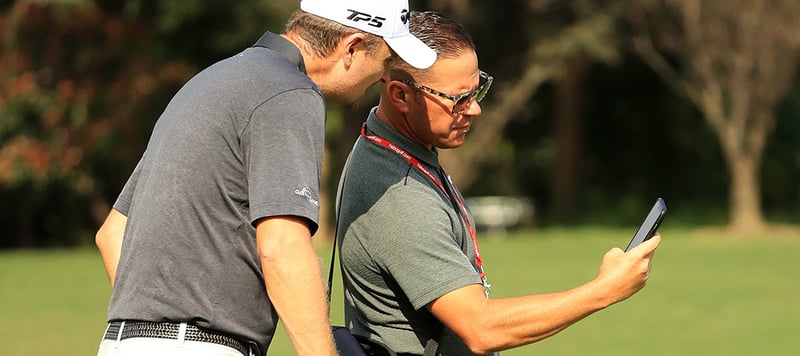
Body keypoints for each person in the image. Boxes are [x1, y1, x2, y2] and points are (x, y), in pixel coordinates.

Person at [94, 1, 436, 355]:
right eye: (384, 62)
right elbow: (282, 245)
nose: (383, 77)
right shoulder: (290, 92)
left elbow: (113, 233)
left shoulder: (210, 81)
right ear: (352, 48)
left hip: (125, 343)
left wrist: (158, 328)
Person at [335, 11, 662, 355]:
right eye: (458, 99)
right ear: (400, 95)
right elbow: (481, 328)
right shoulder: (399, 197)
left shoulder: (390, 146)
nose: (474, 110)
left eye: (478, 91)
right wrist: (604, 289)